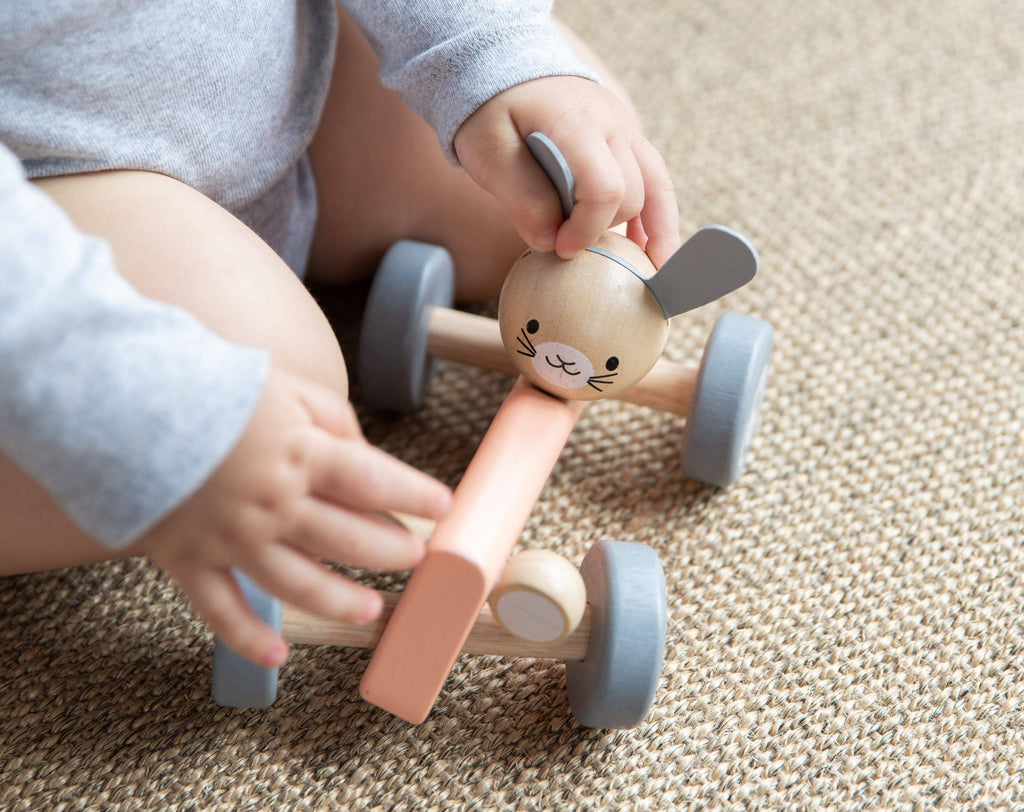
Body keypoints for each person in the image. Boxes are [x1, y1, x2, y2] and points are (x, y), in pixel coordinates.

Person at [0, 1, 680, 670]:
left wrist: (487, 49)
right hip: (42, 202)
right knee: (288, 382)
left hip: (264, 61)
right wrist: (141, 401)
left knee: (577, 177)